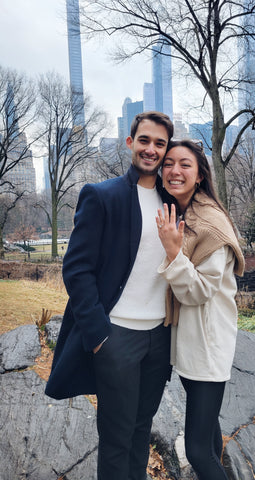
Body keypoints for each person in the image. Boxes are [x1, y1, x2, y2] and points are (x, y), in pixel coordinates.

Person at [45, 111, 175, 480]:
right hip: (117, 336)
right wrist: (99, 335)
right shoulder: (102, 196)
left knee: (140, 431)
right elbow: (76, 268)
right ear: (130, 142)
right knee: (117, 438)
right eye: (145, 140)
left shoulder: (173, 202)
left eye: (160, 143)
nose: (152, 149)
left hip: (160, 338)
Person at [155, 140, 245, 480]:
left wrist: (173, 253)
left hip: (207, 349)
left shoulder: (209, 223)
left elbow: (199, 291)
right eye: (169, 163)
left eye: (185, 164)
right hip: (194, 348)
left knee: (196, 450)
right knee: (208, 438)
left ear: (200, 174)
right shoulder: (182, 211)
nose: (175, 170)